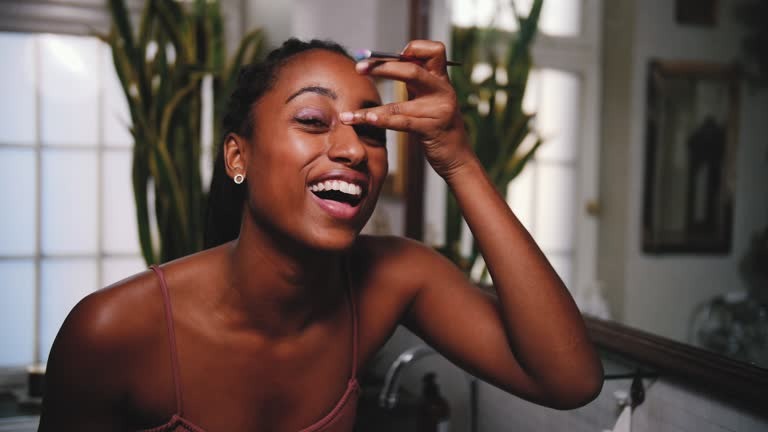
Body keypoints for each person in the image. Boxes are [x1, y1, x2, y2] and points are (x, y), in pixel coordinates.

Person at [39, 38, 603, 431]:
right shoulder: (110, 334)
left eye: (373, 132)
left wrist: (457, 159)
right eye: (312, 121)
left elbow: (570, 380)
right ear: (239, 155)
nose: (354, 149)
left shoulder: (395, 279)